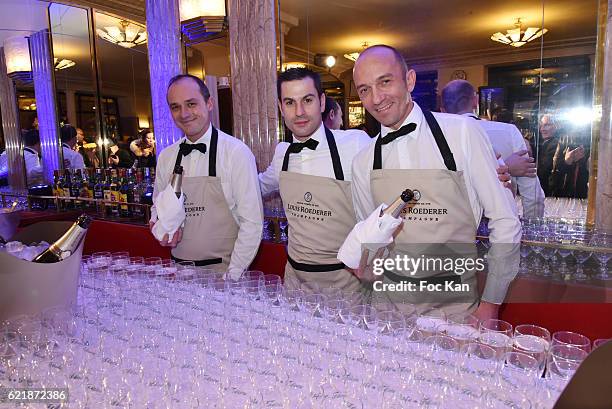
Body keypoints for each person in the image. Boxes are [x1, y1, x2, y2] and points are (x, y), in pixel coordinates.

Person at [351, 45, 521, 320]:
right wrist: (365, 264)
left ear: (409, 80)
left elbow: (506, 221)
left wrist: (491, 303)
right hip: (388, 310)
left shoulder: (462, 133)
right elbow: (372, 237)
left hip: (454, 310)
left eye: (385, 81)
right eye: (364, 90)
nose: (376, 98)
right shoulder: (362, 161)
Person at [259, 68, 371, 296]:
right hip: (294, 281)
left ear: (321, 102)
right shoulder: (283, 153)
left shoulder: (355, 144)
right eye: (290, 103)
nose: (299, 112)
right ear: (281, 108)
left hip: (345, 282)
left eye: (307, 100)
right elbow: (255, 187)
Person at [151, 74, 263, 278]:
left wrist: (233, 276)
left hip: (224, 274)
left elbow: (252, 223)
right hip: (179, 272)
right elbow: (157, 203)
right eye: (175, 107)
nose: (184, 114)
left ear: (209, 103)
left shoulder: (236, 153)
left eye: (191, 104)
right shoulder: (166, 157)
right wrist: (157, 220)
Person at [440, 80, 545, 218]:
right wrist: (531, 231)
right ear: (475, 101)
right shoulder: (509, 132)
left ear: (442, 109)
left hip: (449, 228)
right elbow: (533, 195)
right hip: (500, 227)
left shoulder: (433, 137)